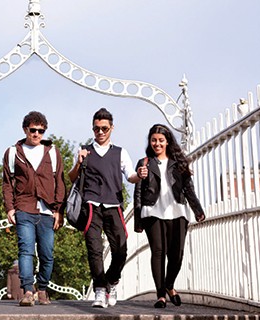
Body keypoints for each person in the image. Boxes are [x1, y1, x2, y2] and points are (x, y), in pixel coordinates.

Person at [68, 107, 141, 308]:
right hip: (91, 205)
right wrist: (79, 162)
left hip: (113, 204)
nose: (100, 132)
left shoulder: (120, 152)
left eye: (104, 129)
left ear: (111, 128)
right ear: (93, 129)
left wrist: (140, 175)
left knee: (121, 248)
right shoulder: (84, 150)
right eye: (96, 129)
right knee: (94, 248)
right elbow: (72, 177)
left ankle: (111, 281)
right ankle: (99, 290)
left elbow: (131, 176)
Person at [134, 124, 206, 309]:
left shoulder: (179, 163)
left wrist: (197, 209)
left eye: (160, 140)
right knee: (158, 252)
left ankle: (169, 285)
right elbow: (139, 192)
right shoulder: (144, 163)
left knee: (177, 255)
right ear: (150, 142)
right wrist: (138, 219)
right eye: (153, 140)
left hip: (177, 211)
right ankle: (160, 296)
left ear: (167, 142)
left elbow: (188, 189)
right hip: (152, 211)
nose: (157, 144)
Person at [2, 111, 66, 306]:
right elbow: (7, 182)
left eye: (41, 131)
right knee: (26, 250)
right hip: (24, 208)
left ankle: (43, 289)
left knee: (47, 254)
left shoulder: (52, 152)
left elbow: (60, 182)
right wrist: (10, 208)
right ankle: (28, 291)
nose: (37, 134)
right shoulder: (13, 152)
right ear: (25, 130)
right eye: (33, 130)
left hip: (47, 211)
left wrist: (59, 210)